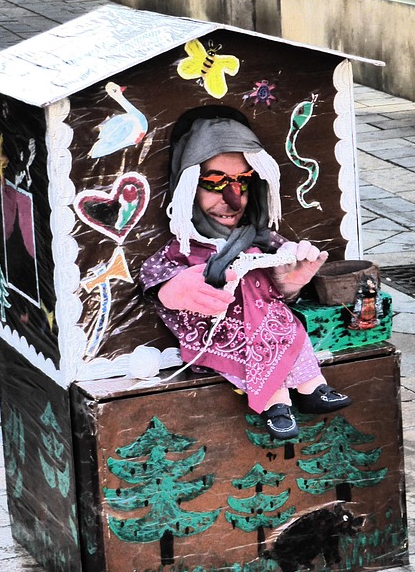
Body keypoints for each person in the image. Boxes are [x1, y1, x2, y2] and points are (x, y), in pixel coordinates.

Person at [139, 114, 351, 440]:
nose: (233, 199)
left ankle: (312, 387)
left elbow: (283, 280)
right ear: (188, 185)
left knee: (287, 332)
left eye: (243, 182)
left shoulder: (259, 238)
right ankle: (276, 404)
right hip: (224, 332)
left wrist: (290, 281)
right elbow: (155, 275)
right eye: (215, 182)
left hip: (272, 323)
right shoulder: (184, 247)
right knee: (251, 345)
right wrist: (173, 290)